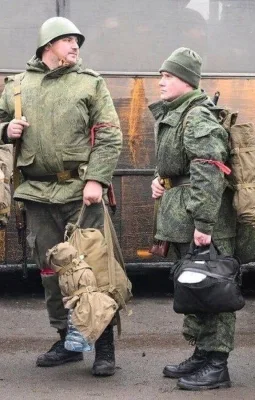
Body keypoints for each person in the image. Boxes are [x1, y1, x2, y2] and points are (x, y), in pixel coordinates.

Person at [0, 17, 122, 376]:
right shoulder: (17, 86)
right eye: (67, 39)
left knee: (93, 269)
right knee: (51, 270)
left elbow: (110, 135)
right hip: (36, 193)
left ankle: (103, 345)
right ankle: (67, 339)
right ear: (47, 45)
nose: (75, 45)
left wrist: (96, 180)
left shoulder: (90, 83)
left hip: (80, 191)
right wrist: (6, 129)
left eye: (77, 41)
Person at [149, 47, 236, 391]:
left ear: (186, 81)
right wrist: (160, 180)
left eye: (168, 76)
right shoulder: (179, 113)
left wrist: (204, 225)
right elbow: (178, 164)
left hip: (200, 219)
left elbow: (208, 171)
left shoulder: (197, 116)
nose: (161, 82)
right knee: (195, 287)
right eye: (161, 75)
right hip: (182, 215)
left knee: (214, 289)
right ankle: (202, 354)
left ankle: (217, 364)